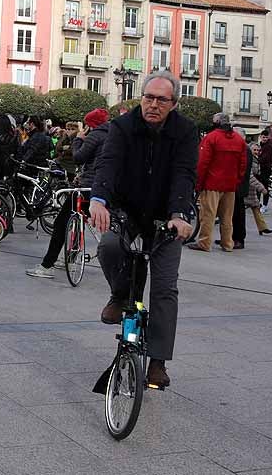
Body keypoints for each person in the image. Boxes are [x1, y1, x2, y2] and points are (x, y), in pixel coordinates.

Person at [89, 70, 197, 389]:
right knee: (108, 246)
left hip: (167, 218)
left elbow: (184, 174)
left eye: (161, 100)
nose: (152, 105)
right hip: (127, 211)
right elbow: (108, 163)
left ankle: (158, 362)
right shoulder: (123, 126)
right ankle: (120, 295)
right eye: (148, 97)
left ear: (174, 104)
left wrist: (180, 214)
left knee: (165, 288)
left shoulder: (186, 131)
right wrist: (99, 200)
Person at [27, 108, 110, 278]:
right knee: (78, 221)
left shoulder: (94, 136)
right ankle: (70, 260)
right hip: (102, 188)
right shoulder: (112, 136)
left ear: (90, 124)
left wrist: (78, 140)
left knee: (61, 223)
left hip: (87, 186)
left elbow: (79, 157)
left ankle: (47, 265)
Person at [187, 113, 246, 253]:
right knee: (227, 217)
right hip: (230, 185)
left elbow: (202, 163)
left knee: (208, 215)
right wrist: (237, 180)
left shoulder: (211, 138)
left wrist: (198, 183)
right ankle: (227, 243)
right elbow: (243, 164)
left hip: (212, 183)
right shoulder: (239, 140)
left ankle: (204, 243)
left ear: (217, 122)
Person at [229, 127, 252, 250]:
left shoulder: (245, 150)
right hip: (235, 185)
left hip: (239, 186)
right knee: (231, 214)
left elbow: (243, 169)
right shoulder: (241, 148)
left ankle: (238, 239)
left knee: (238, 214)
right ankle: (230, 237)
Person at [247, 143, 272, 235]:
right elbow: (250, 176)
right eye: (254, 150)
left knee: (256, 207)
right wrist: (261, 187)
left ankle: (262, 228)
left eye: (257, 150)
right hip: (247, 189)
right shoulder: (250, 160)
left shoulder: (255, 159)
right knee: (235, 213)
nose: (256, 152)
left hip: (252, 189)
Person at [257, 132, 272, 211]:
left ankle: (264, 205)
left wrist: (256, 159)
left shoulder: (268, 146)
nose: (264, 139)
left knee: (264, 188)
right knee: (258, 187)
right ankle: (258, 204)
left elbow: (265, 158)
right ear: (260, 137)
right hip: (260, 169)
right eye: (263, 137)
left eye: (266, 137)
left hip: (265, 169)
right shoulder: (261, 145)